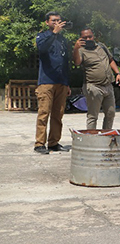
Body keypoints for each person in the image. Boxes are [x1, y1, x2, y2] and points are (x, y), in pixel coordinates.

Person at [34, 12, 72, 154]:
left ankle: (53, 142)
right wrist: (53, 34)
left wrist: (67, 83)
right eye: (54, 20)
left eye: (59, 20)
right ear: (47, 22)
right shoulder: (42, 36)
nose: (57, 23)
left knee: (58, 114)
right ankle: (39, 144)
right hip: (46, 82)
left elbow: (65, 62)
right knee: (44, 113)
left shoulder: (62, 39)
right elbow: (42, 49)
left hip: (61, 82)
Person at [73, 27, 120, 130]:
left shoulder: (101, 46)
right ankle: (92, 141)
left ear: (93, 36)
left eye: (90, 36)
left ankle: (106, 136)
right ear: (80, 38)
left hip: (108, 86)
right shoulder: (81, 50)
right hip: (93, 87)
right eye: (85, 37)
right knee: (93, 116)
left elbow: (110, 60)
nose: (88, 39)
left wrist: (118, 73)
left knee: (110, 113)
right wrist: (75, 49)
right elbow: (77, 62)